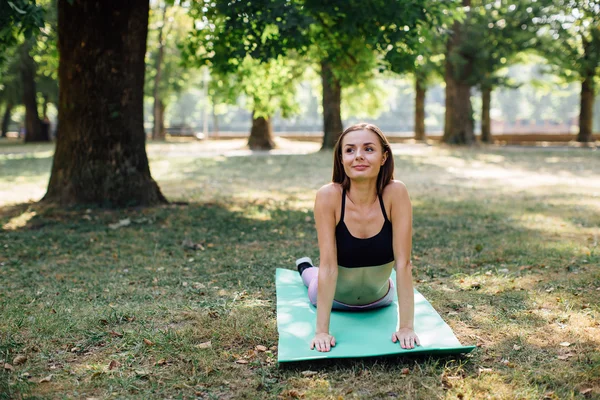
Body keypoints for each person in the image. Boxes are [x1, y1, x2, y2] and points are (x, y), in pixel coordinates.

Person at [296, 123, 420, 352]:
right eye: (350, 150)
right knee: (313, 277)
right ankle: (304, 266)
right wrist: (322, 331)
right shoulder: (328, 196)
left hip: (381, 299)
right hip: (335, 301)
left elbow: (403, 263)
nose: (359, 156)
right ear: (341, 158)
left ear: (384, 157)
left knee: (318, 274)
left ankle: (305, 267)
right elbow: (329, 266)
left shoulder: (396, 193)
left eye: (369, 149)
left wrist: (406, 327)